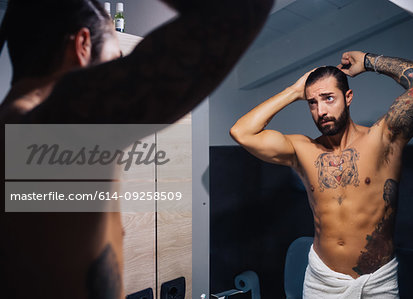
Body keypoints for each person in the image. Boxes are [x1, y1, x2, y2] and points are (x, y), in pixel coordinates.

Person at [0, 0, 274, 298]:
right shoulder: (66, 119)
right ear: (82, 45)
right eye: (116, 59)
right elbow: (240, 8)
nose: (117, 69)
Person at [230, 51, 413, 298]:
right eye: (312, 103)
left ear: (348, 97)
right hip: (323, 283)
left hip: (377, 284)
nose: (321, 111)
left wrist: (369, 62)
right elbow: (241, 132)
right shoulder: (302, 149)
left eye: (328, 98)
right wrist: (295, 91)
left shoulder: (384, 138)